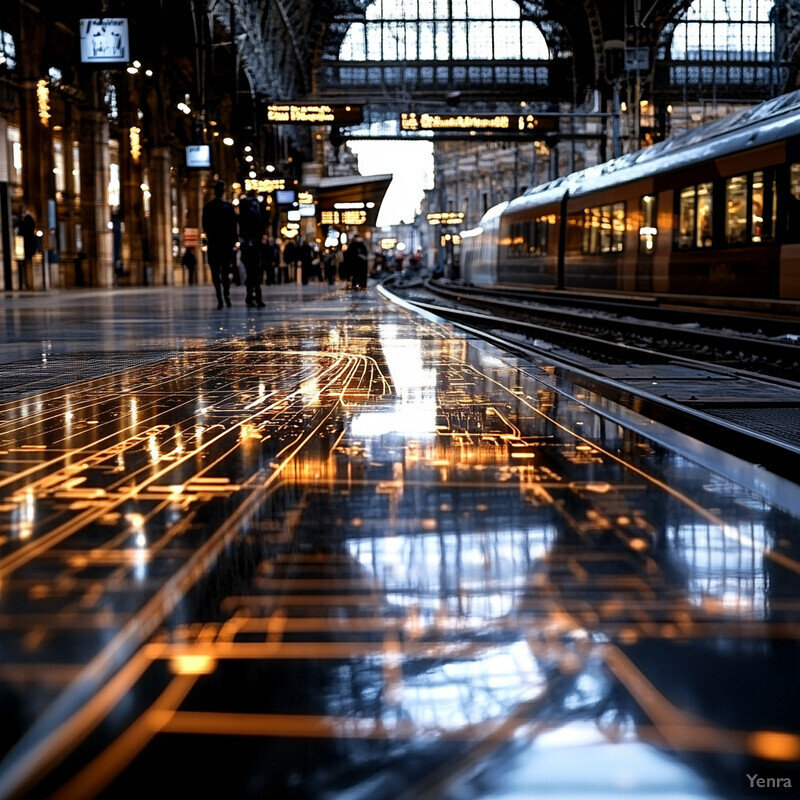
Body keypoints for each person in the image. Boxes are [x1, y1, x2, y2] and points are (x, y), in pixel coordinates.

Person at [201, 180, 237, 309]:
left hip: (214, 245)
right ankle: (226, 295)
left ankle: (220, 298)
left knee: (215, 273)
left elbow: (204, 225)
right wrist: (233, 243)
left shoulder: (208, 207)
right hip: (226, 246)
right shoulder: (228, 207)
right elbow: (233, 228)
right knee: (225, 272)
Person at [238, 191, 265, 307]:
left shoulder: (244, 210)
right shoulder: (256, 211)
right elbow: (262, 226)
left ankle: (251, 296)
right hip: (255, 246)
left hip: (247, 246)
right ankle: (257, 296)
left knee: (250, 272)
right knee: (255, 272)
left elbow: (242, 228)